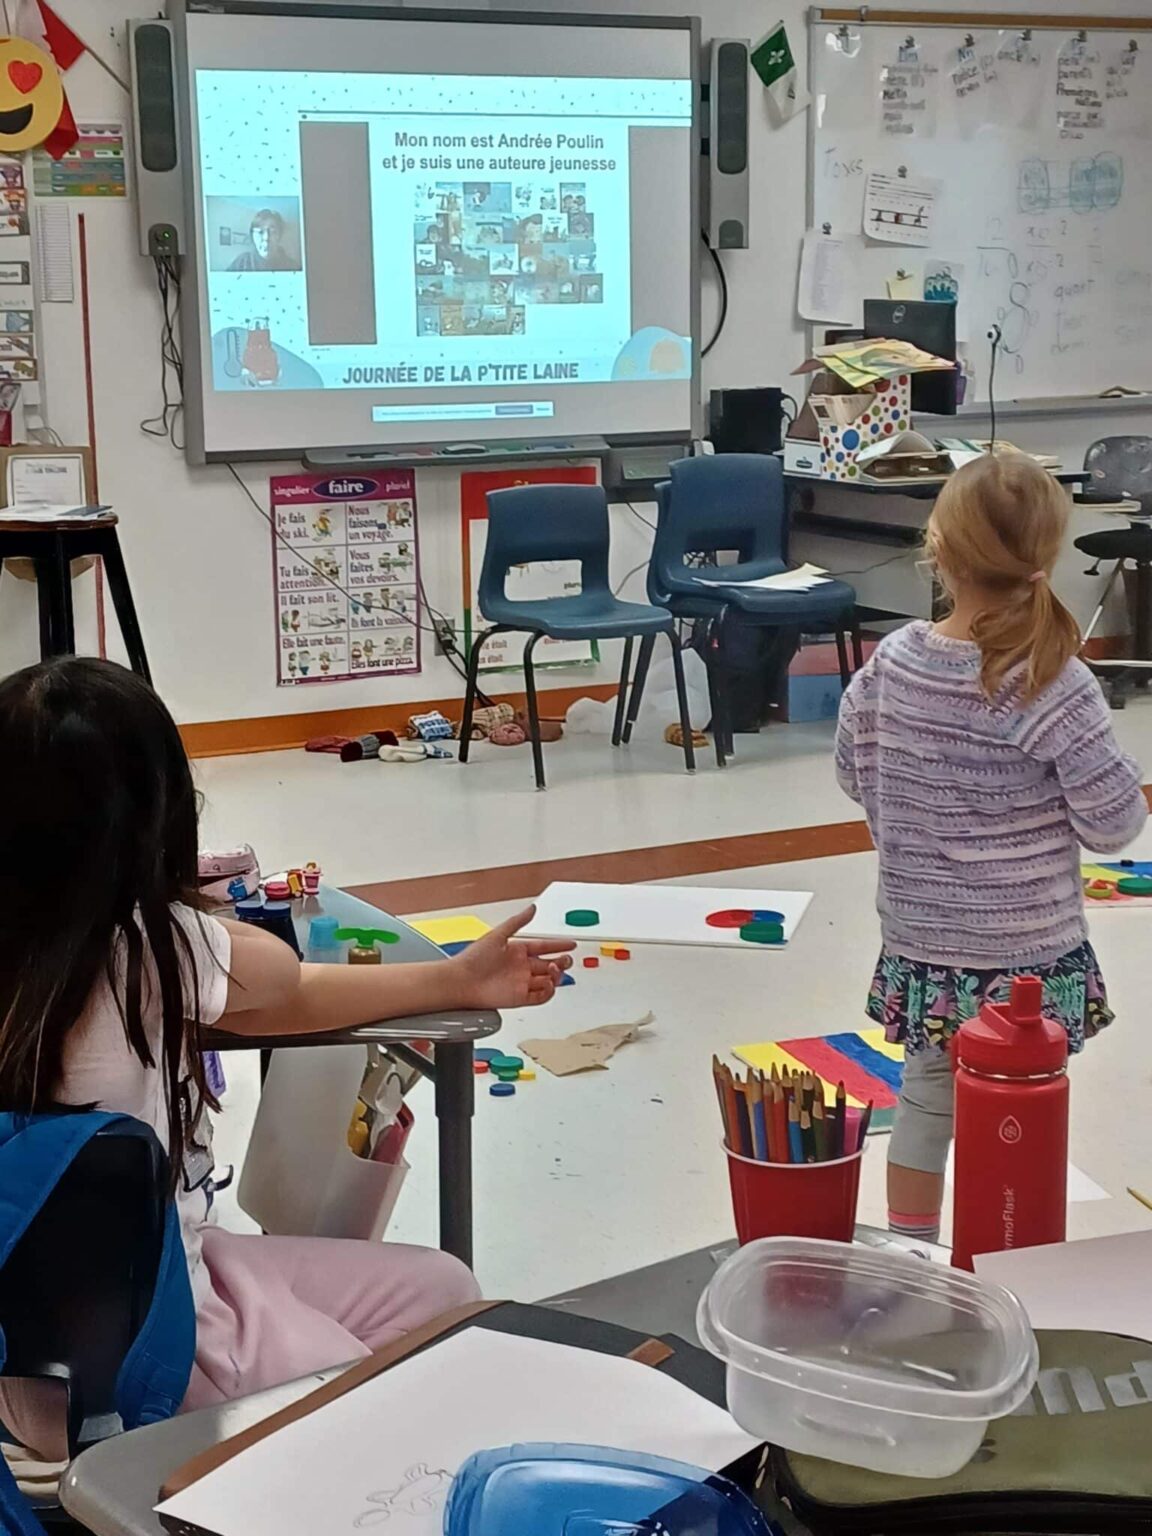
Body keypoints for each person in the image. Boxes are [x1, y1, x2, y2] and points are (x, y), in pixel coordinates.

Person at [0, 658, 575, 1452]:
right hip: (150, 1344)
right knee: (361, 1407)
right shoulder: (151, 948)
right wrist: (179, 900)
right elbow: (280, 977)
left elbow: (290, 998)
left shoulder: (73, 950)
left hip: (71, 1324)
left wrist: (457, 979)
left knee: (441, 1291)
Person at [835, 453, 1147, 1246]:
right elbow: (1113, 826)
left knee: (925, 1098)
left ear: (937, 547)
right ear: (1045, 556)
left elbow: (853, 774)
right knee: (1018, 1113)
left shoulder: (893, 662)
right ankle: (1006, 1259)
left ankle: (911, 1252)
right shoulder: (1054, 680)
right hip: (1025, 960)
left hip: (923, 939)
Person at [229, 209, 298, 272]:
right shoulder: (241, 262)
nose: (266, 238)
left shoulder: (292, 266)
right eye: (260, 232)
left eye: (272, 231)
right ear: (252, 236)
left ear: (279, 235)